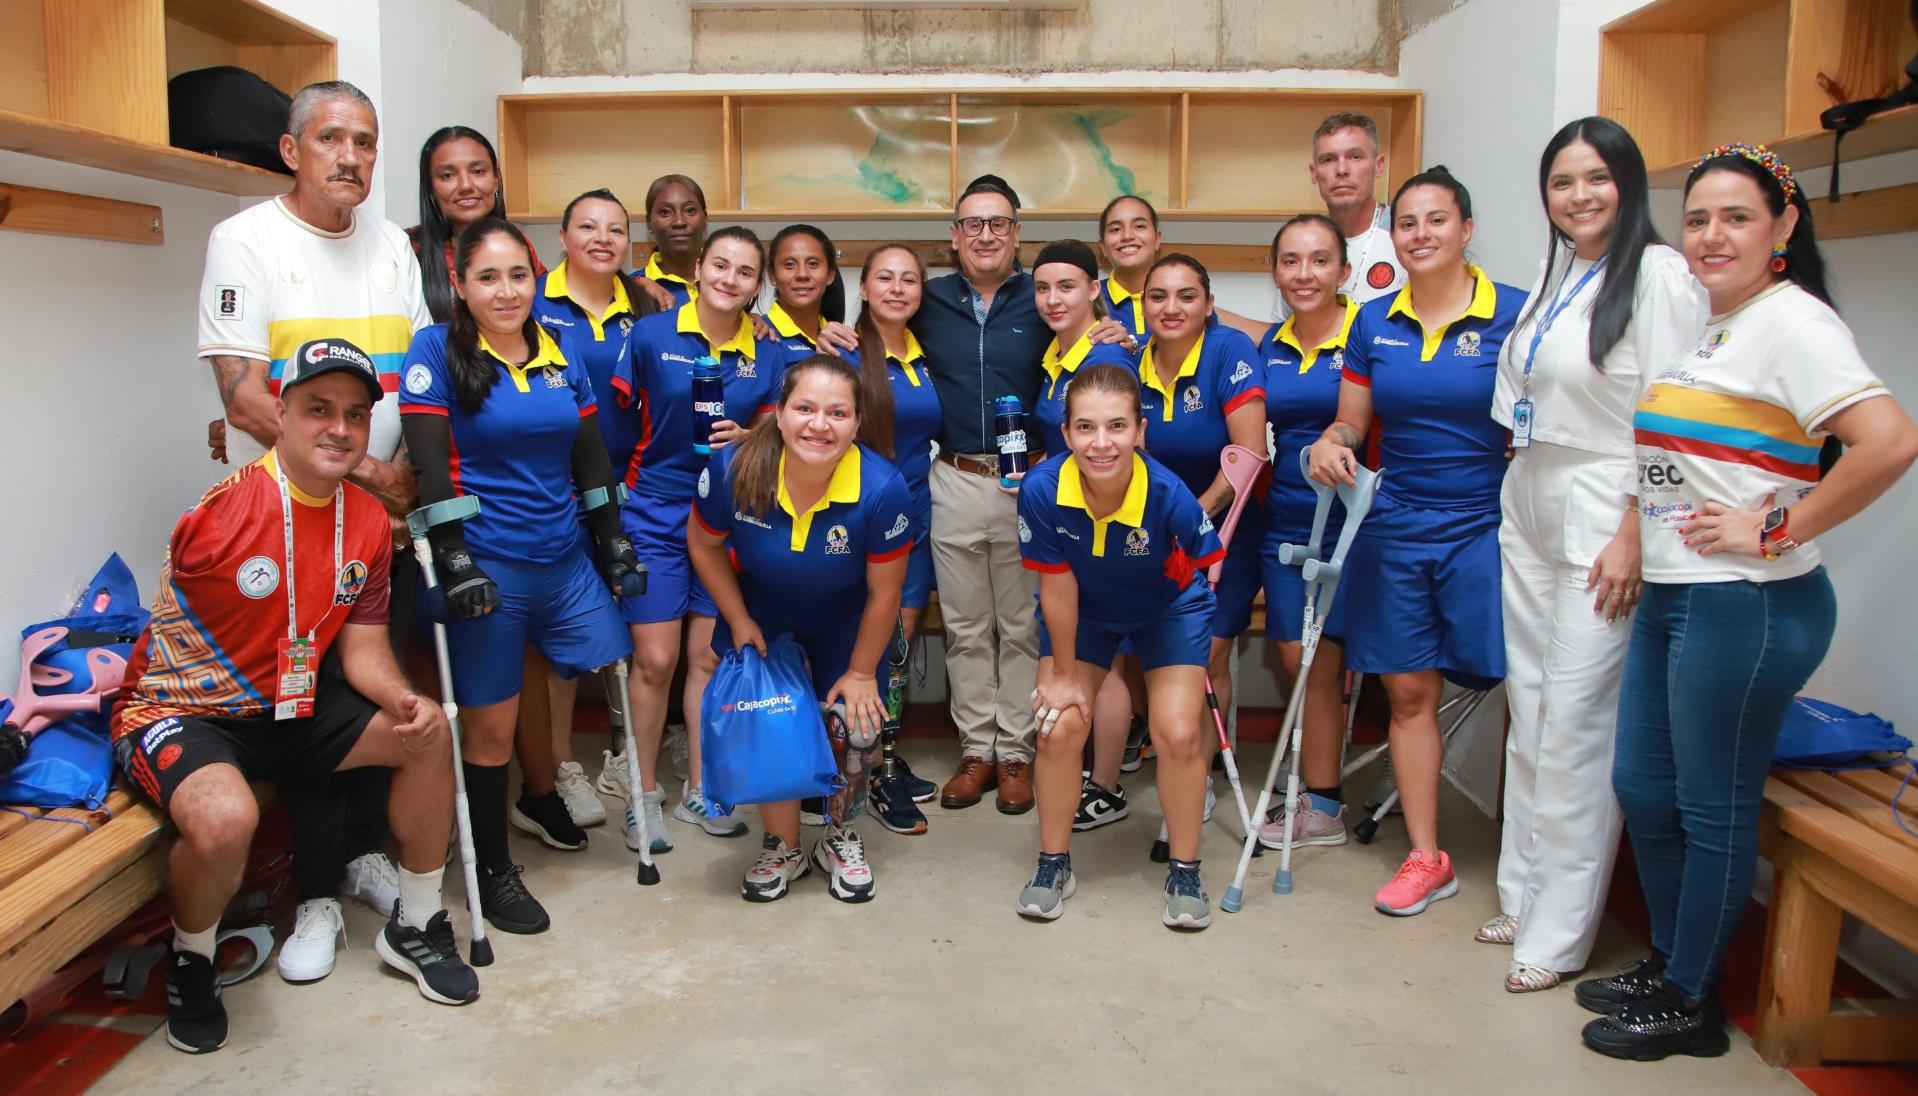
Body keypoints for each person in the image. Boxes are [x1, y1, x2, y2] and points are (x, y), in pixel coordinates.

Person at [1578, 143, 1917, 1061]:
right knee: (1645, 788)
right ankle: (1669, 960)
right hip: (1678, 594)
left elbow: (1887, 441)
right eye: (1697, 218)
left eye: (1736, 216)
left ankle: (1692, 1002)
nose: (1712, 234)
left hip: (1750, 605)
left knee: (1711, 806)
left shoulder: (1795, 324)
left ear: (1783, 227)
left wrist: (1776, 528)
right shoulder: (1713, 320)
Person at [112, 338, 479, 1054]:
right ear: (279, 414)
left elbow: (365, 649)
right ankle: (191, 958)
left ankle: (417, 926)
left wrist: (402, 700)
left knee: (429, 730)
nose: (339, 428)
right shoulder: (224, 514)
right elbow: (185, 636)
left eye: (354, 414)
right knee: (224, 819)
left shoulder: (368, 521)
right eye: (317, 410)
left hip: (292, 703)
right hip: (190, 711)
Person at [196, 79, 422, 984]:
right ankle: (315, 893)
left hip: (382, 526)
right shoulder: (244, 240)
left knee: (382, 692)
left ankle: (365, 853)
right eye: (331, 139)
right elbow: (243, 394)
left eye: (366, 142)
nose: (351, 158)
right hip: (287, 528)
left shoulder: (392, 245)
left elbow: (413, 378)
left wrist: (401, 490)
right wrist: (373, 473)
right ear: (292, 151)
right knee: (309, 705)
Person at [1486, 117, 1709, 994]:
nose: (1578, 196)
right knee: (1532, 710)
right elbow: (1524, 392)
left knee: (1579, 723)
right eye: (1561, 182)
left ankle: (1558, 932)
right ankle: (1520, 893)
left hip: (1605, 509)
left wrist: (1633, 529)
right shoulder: (1557, 274)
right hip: (1532, 499)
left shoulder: (1659, 275)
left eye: (1595, 178)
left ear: (1629, 181)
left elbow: (1671, 415)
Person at [399, 218, 640, 934]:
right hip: (489, 564)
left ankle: (548, 801)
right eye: (487, 277)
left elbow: (591, 461)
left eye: (518, 276)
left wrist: (614, 542)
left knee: (602, 665)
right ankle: (494, 872)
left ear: (536, 280)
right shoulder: (436, 352)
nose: (505, 292)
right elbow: (429, 469)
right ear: (461, 286)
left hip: (562, 557)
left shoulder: (562, 353)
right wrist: (456, 560)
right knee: (491, 731)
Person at [1307, 166, 1523, 918]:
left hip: (1489, 529)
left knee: (1524, 691)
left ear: (1467, 229)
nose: (1422, 234)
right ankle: (1429, 856)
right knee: (1407, 691)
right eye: (1408, 223)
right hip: (1396, 524)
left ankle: (1541, 866)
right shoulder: (1373, 323)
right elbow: (1352, 422)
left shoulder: (1516, 317)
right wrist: (1329, 446)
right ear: (1393, 238)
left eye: (1438, 220)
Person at [911, 174, 1130, 814]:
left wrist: (1116, 330)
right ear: (954, 237)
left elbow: (1094, 327)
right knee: (965, 627)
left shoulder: (1041, 298)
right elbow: (876, 333)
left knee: (1021, 624)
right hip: (952, 478)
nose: (986, 235)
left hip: (1029, 482)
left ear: (1016, 233)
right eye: (973, 224)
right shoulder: (926, 300)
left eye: (999, 223)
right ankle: (975, 750)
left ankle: (1017, 752)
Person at [690, 354, 913, 901]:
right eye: (805, 408)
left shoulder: (883, 489)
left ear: (857, 423)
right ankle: (782, 843)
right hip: (764, 618)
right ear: (780, 414)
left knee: (855, 728)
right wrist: (738, 618)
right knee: (774, 722)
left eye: (838, 412)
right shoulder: (732, 468)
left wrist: (862, 672)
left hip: (849, 621)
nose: (820, 424)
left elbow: (886, 594)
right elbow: (704, 543)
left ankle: (838, 834)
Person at [1015, 364, 1224, 929]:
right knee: (1059, 723)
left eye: (1115, 427)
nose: (1100, 443)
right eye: (1085, 427)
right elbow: (1056, 588)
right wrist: (1061, 675)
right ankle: (1052, 863)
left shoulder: (1167, 492)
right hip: (1085, 614)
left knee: (1178, 733)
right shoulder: (1040, 489)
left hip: (1167, 611)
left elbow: (1208, 564)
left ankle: (1185, 869)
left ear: (1139, 431)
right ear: (1065, 433)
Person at [608, 227, 784, 851]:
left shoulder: (768, 351)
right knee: (655, 659)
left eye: (744, 272)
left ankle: (701, 790)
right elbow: (619, 423)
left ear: (757, 286)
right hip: (653, 509)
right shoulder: (651, 334)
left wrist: (747, 441)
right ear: (700, 269)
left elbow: (776, 441)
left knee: (708, 656)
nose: (729, 279)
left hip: (727, 513)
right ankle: (641, 792)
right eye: (720, 265)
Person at [530, 188, 661, 829]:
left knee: (629, 627)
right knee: (562, 642)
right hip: (553, 492)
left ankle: (622, 753)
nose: (602, 238)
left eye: (615, 229)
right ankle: (561, 768)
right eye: (587, 226)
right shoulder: (530, 301)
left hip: (625, 491)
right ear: (563, 235)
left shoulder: (646, 304)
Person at [1134, 253, 1268, 846]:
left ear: (1208, 304)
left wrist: (1192, 519)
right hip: (1147, 540)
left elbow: (1247, 457)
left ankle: (1197, 779)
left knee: (1205, 657)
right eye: (1158, 296)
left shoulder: (1229, 351)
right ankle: (1173, 758)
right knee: (1153, 658)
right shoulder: (1128, 359)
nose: (1172, 308)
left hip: (1222, 534)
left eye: (1186, 296)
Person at [1252, 214, 1363, 853]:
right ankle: (1317, 791)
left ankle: (1321, 801)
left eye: (1320, 260)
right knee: (1298, 656)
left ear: (1343, 272)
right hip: (1287, 521)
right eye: (1290, 261)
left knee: (1323, 660)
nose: (1304, 274)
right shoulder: (1269, 345)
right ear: (1275, 272)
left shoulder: (1367, 335)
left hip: (1355, 523)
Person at [1031, 239, 1142, 828]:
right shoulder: (1059, 354)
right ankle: (1091, 777)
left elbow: (1128, 451)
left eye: (1067, 286)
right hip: (1066, 522)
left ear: (1095, 291)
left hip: (1102, 526)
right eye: (1043, 287)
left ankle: (1104, 784)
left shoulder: (1105, 359)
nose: (1053, 299)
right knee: (1096, 654)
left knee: (1110, 660)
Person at [847, 243, 945, 828]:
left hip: (920, 512)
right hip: (860, 517)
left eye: (909, 279)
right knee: (861, 642)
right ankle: (854, 766)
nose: (897, 288)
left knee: (899, 646)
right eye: (884, 277)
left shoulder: (927, 350)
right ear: (862, 288)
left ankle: (882, 760)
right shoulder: (841, 349)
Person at [1220, 112, 1407, 340]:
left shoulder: (1406, 238)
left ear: (1378, 166)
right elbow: (1283, 341)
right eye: (1328, 160)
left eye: (1355, 157)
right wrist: (1211, 314)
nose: (1341, 170)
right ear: (1314, 173)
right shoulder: (1300, 245)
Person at [410, 126, 542, 324]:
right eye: (447, 175)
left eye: (478, 171)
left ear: (496, 178)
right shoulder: (408, 249)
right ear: (430, 188)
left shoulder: (517, 243)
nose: (465, 185)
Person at [633, 174, 710, 307]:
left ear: (705, 219)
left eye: (690, 210)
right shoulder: (630, 289)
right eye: (665, 212)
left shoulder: (727, 281)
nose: (679, 221)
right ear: (649, 223)